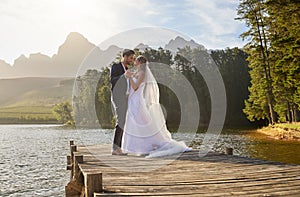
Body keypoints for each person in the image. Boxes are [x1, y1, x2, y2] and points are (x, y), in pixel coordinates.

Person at [122, 55, 192, 158]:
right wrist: (130, 75)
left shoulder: (142, 73)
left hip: (137, 101)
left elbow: (135, 87)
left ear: (140, 63)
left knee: (141, 122)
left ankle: (150, 144)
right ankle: (138, 146)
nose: (134, 61)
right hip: (133, 100)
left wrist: (129, 77)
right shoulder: (138, 73)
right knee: (135, 122)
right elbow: (132, 80)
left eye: (136, 60)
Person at [110, 49, 135, 155]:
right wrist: (124, 76)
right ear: (124, 56)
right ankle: (115, 148)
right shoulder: (116, 67)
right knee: (120, 121)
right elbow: (112, 80)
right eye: (131, 58)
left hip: (126, 98)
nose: (132, 60)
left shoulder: (127, 69)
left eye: (133, 58)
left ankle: (118, 147)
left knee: (123, 122)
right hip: (118, 97)